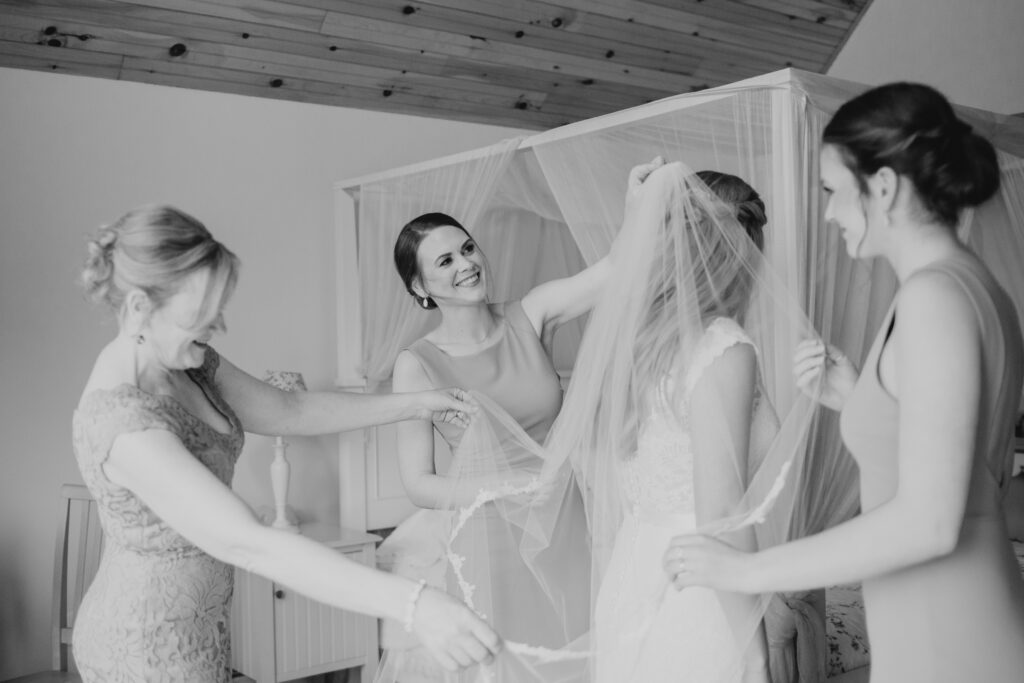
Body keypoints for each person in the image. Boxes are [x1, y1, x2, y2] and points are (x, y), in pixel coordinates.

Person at [665, 82, 1024, 682]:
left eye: (832, 192)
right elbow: (958, 452)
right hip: (938, 611)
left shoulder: (933, 297)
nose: (828, 214)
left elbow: (930, 519)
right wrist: (859, 398)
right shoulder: (967, 285)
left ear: (882, 187)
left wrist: (747, 571)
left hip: (947, 621)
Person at [71, 205, 502, 682]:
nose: (216, 328)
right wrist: (416, 603)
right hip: (140, 649)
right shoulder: (125, 425)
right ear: (139, 309)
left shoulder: (188, 362)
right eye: (201, 314)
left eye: (219, 310)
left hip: (202, 633)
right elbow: (251, 544)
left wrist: (418, 402)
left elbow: (289, 410)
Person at [374, 158, 666, 682]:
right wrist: (511, 482)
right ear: (420, 289)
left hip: (564, 520)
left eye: (467, 248)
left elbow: (613, 272)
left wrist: (634, 208)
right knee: (508, 663)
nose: (465, 263)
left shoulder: (530, 314)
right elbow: (419, 484)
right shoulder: (416, 364)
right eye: (443, 262)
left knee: (576, 653)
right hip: (491, 536)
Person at [572, 164, 784, 683]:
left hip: (632, 576)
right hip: (700, 596)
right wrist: (755, 654)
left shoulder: (640, 344)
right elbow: (720, 512)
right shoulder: (722, 347)